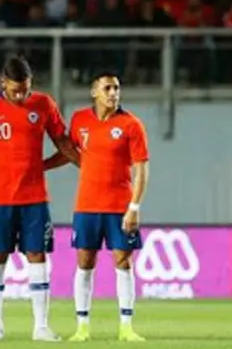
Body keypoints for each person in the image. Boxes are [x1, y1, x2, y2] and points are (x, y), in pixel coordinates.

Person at [0, 56, 80, 342]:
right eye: (15, 90)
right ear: (2, 82)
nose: (21, 95)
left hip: (34, 197)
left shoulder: (44, 104)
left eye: (25, 89)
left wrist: (83, 165)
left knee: (37, 256)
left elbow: (64, 143)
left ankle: (41, 326)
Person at [64, 71, 149, 342]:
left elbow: (142, 169)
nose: (113, 93)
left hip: (119, 206)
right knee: (84, 261)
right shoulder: (79, 120)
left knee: (123, 262)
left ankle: (126, 327)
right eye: (108, 88)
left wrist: (134, 207)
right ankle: (82, 327)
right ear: (94, 92)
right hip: (86, 205)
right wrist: (41, 165)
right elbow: (70, 150)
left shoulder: (131, 124)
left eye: (116, 88)